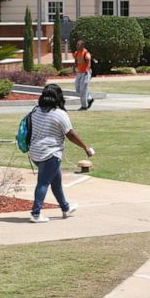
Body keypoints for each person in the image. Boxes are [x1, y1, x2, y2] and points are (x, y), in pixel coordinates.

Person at [28, 84, 94, 223]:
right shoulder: (60, 114)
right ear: (58, 97)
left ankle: (65, 207)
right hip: (50, 154)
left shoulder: (36, 111)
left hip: (35, 152)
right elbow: (70, 135)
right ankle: (35, 213)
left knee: (56, 182)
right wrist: (85, 147)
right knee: (43, 183)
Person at [72, 39, 93, 110]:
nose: (77, 46)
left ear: (82, 45)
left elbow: (88, 63)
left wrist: (87, 70)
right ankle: (89, 98)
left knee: (83, 90)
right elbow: (76, 61)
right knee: (78, 88)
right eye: (77, 44)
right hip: (79, 73)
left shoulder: (86, 53)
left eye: (78, 44)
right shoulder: (76, 53)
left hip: (85, 73)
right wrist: (74, 68)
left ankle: (84, 106)